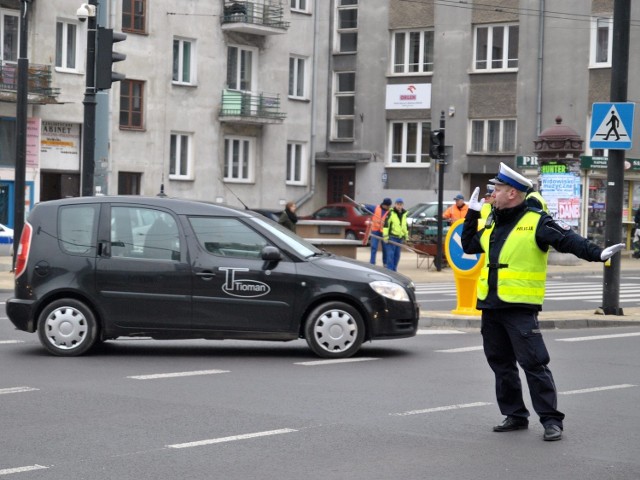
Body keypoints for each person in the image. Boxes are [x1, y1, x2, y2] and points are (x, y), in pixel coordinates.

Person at [461, 162, 624, 442]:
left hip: (520, 307)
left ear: (512, 193)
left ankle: (551, 420)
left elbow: (568, 240)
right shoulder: (493, 222)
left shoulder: (537, 221)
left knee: (534, 364)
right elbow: (469, 246)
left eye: (497, 189)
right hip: (491, 305)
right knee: (500, 363)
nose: (492, 194)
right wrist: (471, 215)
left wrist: (598, 254)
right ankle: (514, 414)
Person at [383, 198, 408, 271]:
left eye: (400, 205)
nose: (399, 206)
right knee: (390, 255)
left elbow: (404, 226)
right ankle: (390, 270)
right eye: (398, 204)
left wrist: (406, 236)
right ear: (395, 205)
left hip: (399, 238)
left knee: (397, 256)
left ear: (402, 205)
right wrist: (385, 236)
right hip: (392, 237)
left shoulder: (404, 214)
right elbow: (386, 225)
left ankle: (394, 269)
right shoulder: (391, 213)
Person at [369, 198, 392, 265]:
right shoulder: (376, 208)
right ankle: (372, 263)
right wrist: (362, 206)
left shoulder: (390, 211)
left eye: (389, 206)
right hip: (375, 230)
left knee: (385, 248)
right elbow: (367, 207)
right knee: (374, 247)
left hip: (384, 232)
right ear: (384, 205)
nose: (388, 207)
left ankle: (385, 263)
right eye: (387, 206)